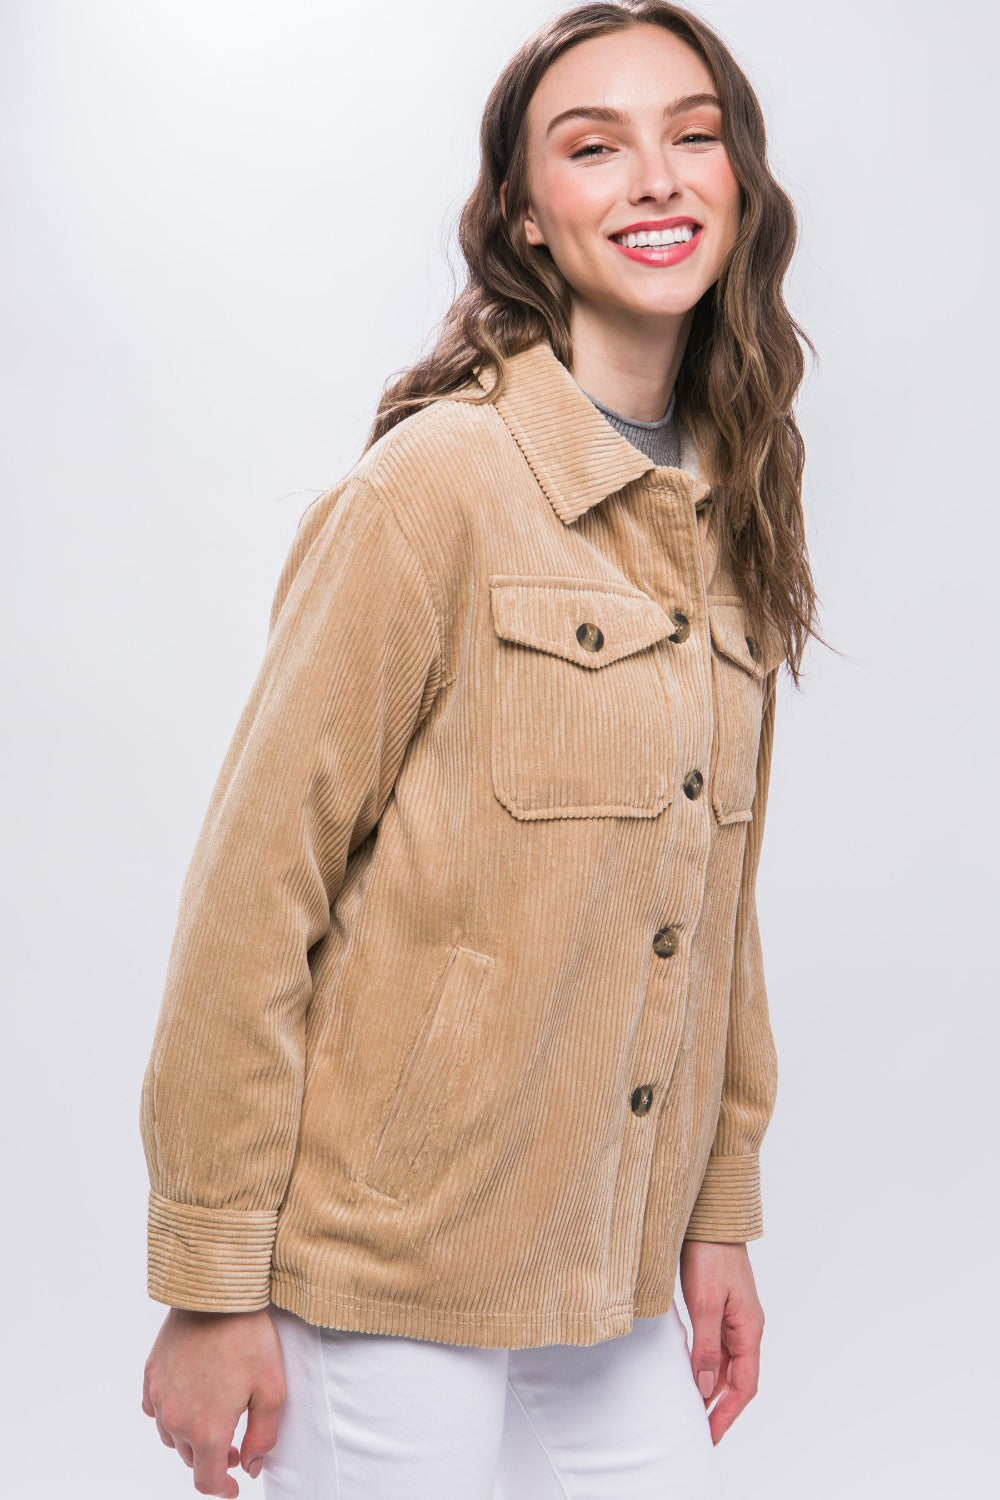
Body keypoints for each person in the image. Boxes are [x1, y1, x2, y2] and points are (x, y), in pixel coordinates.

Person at [139, 3, 822, 1496]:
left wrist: (720, 1210)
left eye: (692, 134)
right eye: (595, 146)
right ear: (524, 212)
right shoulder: (436, 486)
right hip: (387, 1275)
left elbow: (715, 912)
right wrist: (208, 1281)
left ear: (741, 184)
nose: (655, 176)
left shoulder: (730, 511)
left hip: (614, 1260)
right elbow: (257, 893)